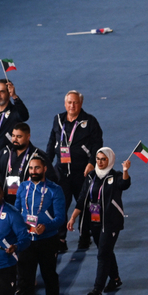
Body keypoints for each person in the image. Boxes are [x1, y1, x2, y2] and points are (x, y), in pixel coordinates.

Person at [12, 156, 66, 295]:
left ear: (44, 169)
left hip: (47, 240)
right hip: (26, 241)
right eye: (31, 168)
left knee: (49, 276)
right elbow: (16, 211)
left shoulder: (55, 190)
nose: (33, 171)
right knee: (25, 282)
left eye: (37, 168)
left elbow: (60, 218)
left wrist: (46, 227)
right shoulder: (22, 188)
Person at [70, 147, 132, 295]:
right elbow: (82, 198)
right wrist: (72, 218)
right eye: (98, 159)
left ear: (110, 160)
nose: (100, 162)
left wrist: (125, 170)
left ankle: (97, 289)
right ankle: (115, 278)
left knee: (103, 254)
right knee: (106, 250)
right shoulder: (91, 176)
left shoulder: (115, 176)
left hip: (110, 222)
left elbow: (124, 184)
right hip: (94, 221)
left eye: (103, 159)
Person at [47, 91, 104, 250]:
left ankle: (85, 236)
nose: (72, 106)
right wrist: (46, 162)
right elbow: (52, 143)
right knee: (60, 205)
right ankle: (60, 239)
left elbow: (97, 144)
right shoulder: (58, 120)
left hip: (83, 172)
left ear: (81, 104)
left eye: (75, 103)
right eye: (69, 102)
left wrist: (92, 163)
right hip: (62, 172)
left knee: (85, 205)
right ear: (65, 104)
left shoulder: (90, 121)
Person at [0, 123, 57, 207]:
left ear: (28, 137)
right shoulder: (5, 152)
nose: (15, 139)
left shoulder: (38, 156)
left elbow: (52, 179)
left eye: (19, 137)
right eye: (13, 136)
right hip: (5, 202)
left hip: (28, 203)